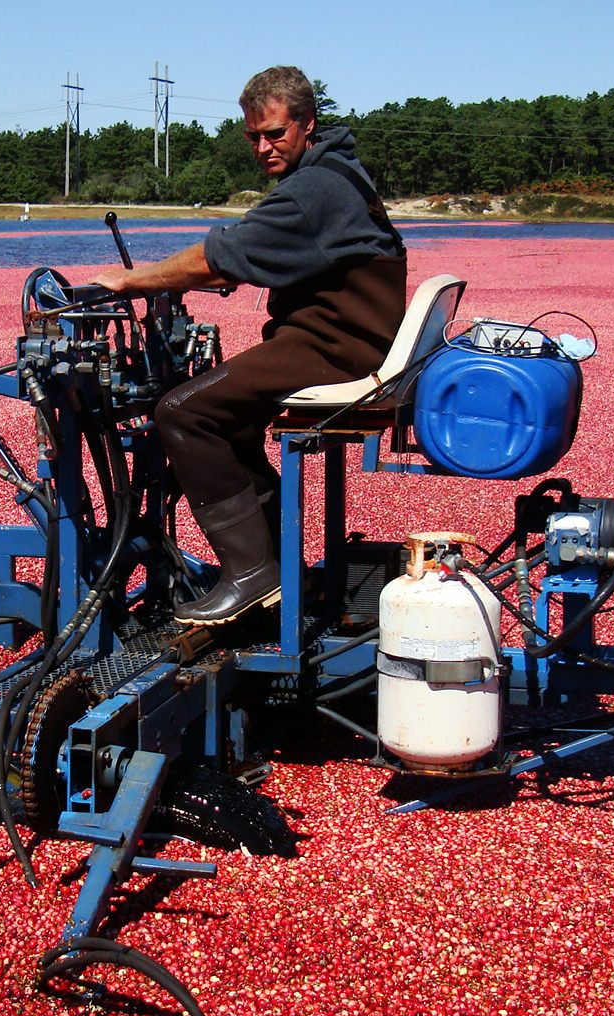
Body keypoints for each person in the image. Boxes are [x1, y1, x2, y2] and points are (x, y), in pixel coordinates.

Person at [90, 66, 407, 626]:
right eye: (253, 137)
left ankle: (254, 574)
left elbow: (219, 254)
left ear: (307, 124)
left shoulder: (314, 189)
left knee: (183, 411)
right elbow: (254, 254)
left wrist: (130, 281)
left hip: (337, 346)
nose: (263, 147)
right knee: (231, 421)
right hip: (345, 336)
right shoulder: (334, 172)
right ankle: (278, 569)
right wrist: (217, 269)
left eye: (276, 134)